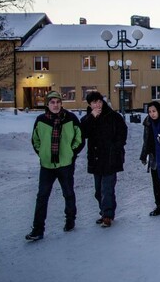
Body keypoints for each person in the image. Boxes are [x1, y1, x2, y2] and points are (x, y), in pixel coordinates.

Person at [26, 91, 84, 241]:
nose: (56, 105)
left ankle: (70, 220)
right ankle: (38, 229)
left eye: (58, 102)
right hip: (47, 166)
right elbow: (35, 140)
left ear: (61, 103)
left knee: (68, 193)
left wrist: (71, 153)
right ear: (47, 104)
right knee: (42, 197)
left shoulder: (70, 118)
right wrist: (42, 153)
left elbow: (80, 138)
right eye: (52, 102)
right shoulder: (41, 120)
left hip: (65, 164)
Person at [80, 91, 127, 228]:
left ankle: (107, 215)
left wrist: (116, 146)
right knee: (98, 190)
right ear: (90, 104)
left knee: (107, 188)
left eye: (99, 101)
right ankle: (103, 212)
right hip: (96, 158)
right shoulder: (87, 118)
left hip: (110, 158)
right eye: (94, 102)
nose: (98, 104)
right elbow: (82, 133)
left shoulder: (113, 116)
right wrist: (91, 118)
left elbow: (122, 132)